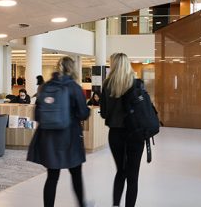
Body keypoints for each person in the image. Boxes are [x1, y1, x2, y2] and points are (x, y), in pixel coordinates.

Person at [28, 56, 90, 207]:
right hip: (70, 138)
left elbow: (37, 115)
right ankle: (81, 204)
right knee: (76, 174)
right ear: (72, 69)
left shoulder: (45, 87)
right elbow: (83, 114)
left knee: (52, 177)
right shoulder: (74, 87)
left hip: (48, 138)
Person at [100, 53, 146, 207]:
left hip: (116, 134)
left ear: (113, 65)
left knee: (120, 172)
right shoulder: (137, 84)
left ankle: (115, 205)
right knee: (133, 176)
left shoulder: (107, 85)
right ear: (127, 65)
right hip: (136, 134)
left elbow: (104, 113)